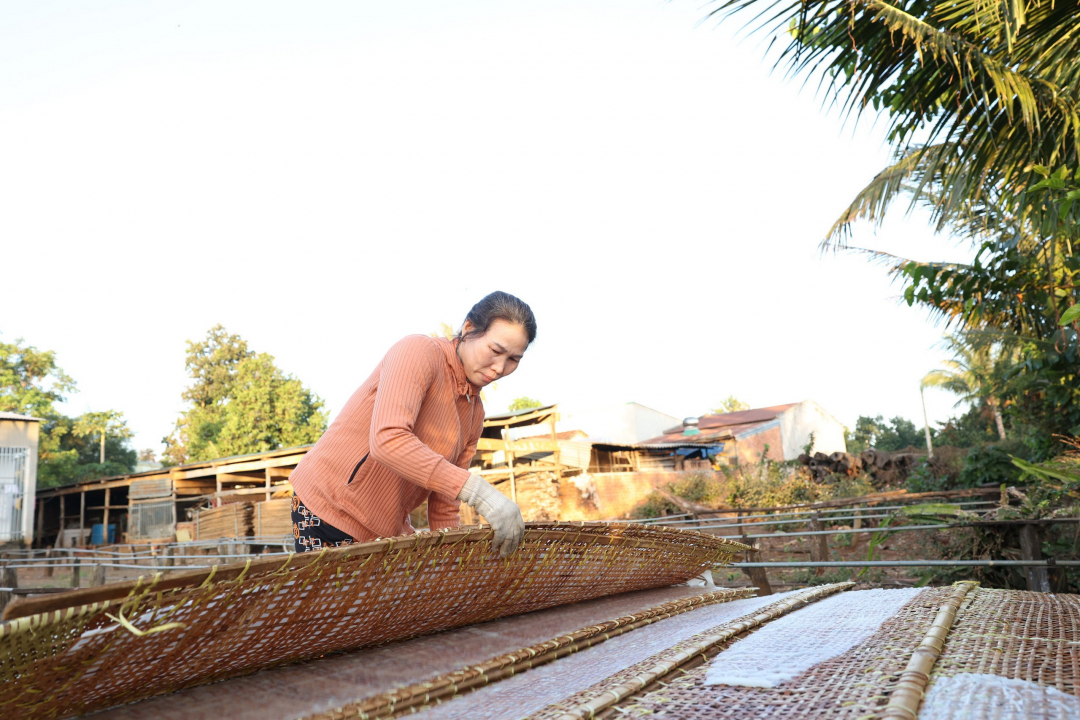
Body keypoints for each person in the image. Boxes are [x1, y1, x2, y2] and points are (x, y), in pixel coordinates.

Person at [289, 291, 535, 557]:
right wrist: (481, 493)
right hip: (328, 506)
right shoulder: (418, 351)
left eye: (513, 360)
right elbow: (388, 440)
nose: (500, 367)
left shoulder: (474, 413)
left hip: (385, 528)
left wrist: (451, 560)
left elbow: (445, 502)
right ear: (469, 328)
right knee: (338, 599)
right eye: (496, 350)